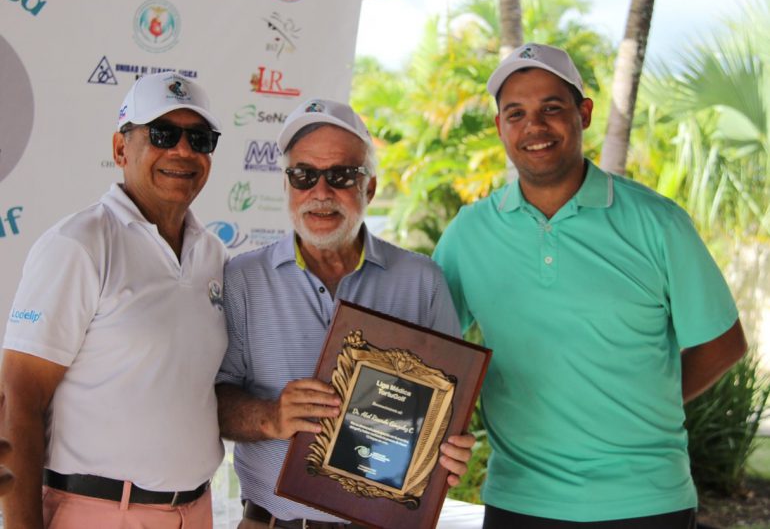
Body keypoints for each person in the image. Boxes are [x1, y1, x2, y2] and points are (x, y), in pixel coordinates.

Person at [432, 43, 748, 528]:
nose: (533, 126)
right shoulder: (469, 233)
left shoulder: (658, 223)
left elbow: (724, 342)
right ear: (500, 128)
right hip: (519, 501)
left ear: (584, 114)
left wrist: (648, 401)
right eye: (515, 113)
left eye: (551, 109)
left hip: (647, 502)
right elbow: (426, 345)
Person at [216, 98, 475, 529]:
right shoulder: (242, 279)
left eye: (340, 176)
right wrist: (270, 416)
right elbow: (213, 402)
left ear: (368, 188)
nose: (320, 193)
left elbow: (449, 412)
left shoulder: (422, 281)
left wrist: (450, 447)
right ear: (286, 185)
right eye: (303, 176)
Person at [0, 71, 227, 528]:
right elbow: (16, 397)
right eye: (162, 134)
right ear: (121, 150)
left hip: (196, 512)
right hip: (98, 513)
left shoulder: (214, 254)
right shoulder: (79, 244)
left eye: (200, 139)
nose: (183, 151)